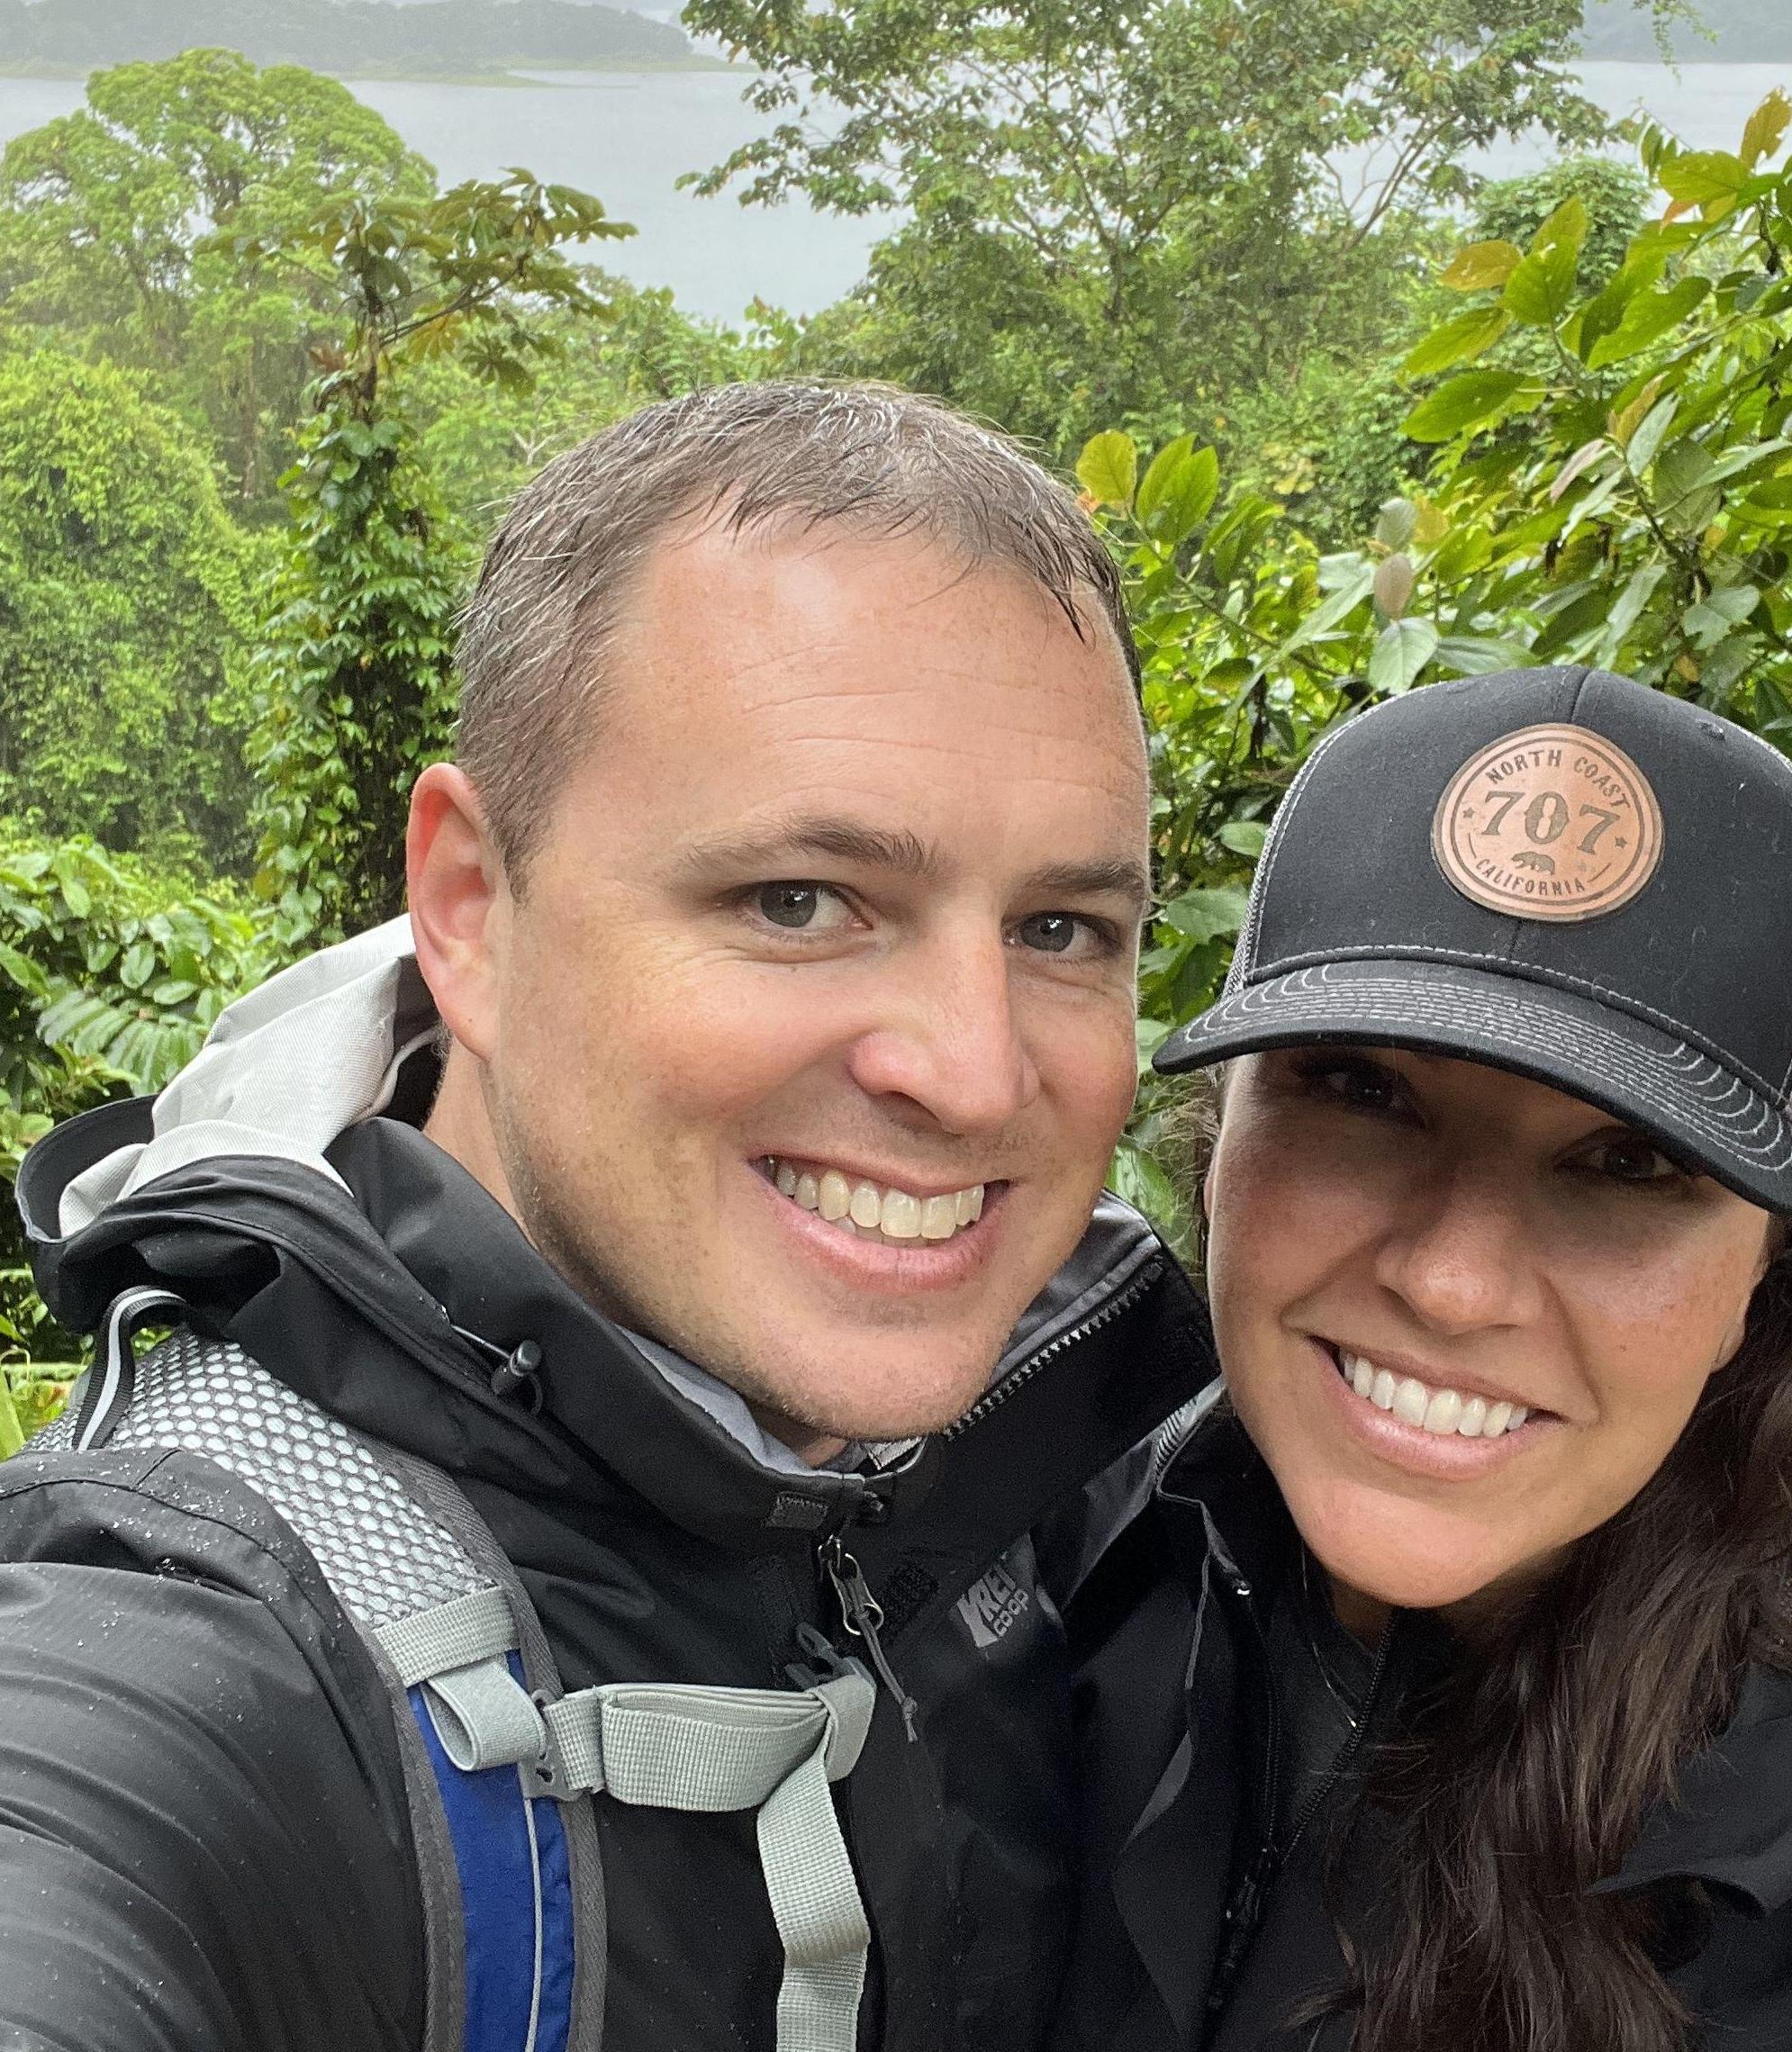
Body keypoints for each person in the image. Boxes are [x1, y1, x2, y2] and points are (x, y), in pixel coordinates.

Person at [0, 383, 1216, 2052]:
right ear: (470, 908)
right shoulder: (183, 1647)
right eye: (799, 900)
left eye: (1062, 929)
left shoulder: (1076, 1454)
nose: (975, 1071)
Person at [1054, 665, 1792, 2052]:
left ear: (1761, 1285)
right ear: (1217, 1147)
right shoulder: (1052, 1541)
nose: (1451, 1283)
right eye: (1361, 1091)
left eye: (1625, 1164)